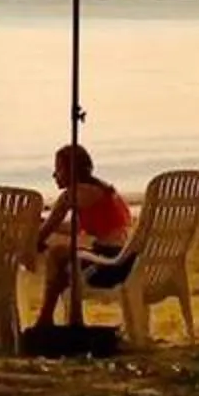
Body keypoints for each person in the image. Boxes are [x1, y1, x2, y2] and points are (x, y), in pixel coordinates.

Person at [33, 141, 133, 330]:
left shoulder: (72, 195)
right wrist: (42, 222)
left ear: (71, 171)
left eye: (58, 169)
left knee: (56, 255)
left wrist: (36, 238)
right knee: (61, 259)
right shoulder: (102, 190)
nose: (54, 175)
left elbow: (43, 235)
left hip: (110, 265)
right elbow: (75, 227)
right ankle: (67, 320)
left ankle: (47, 319)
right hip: (125, 260)